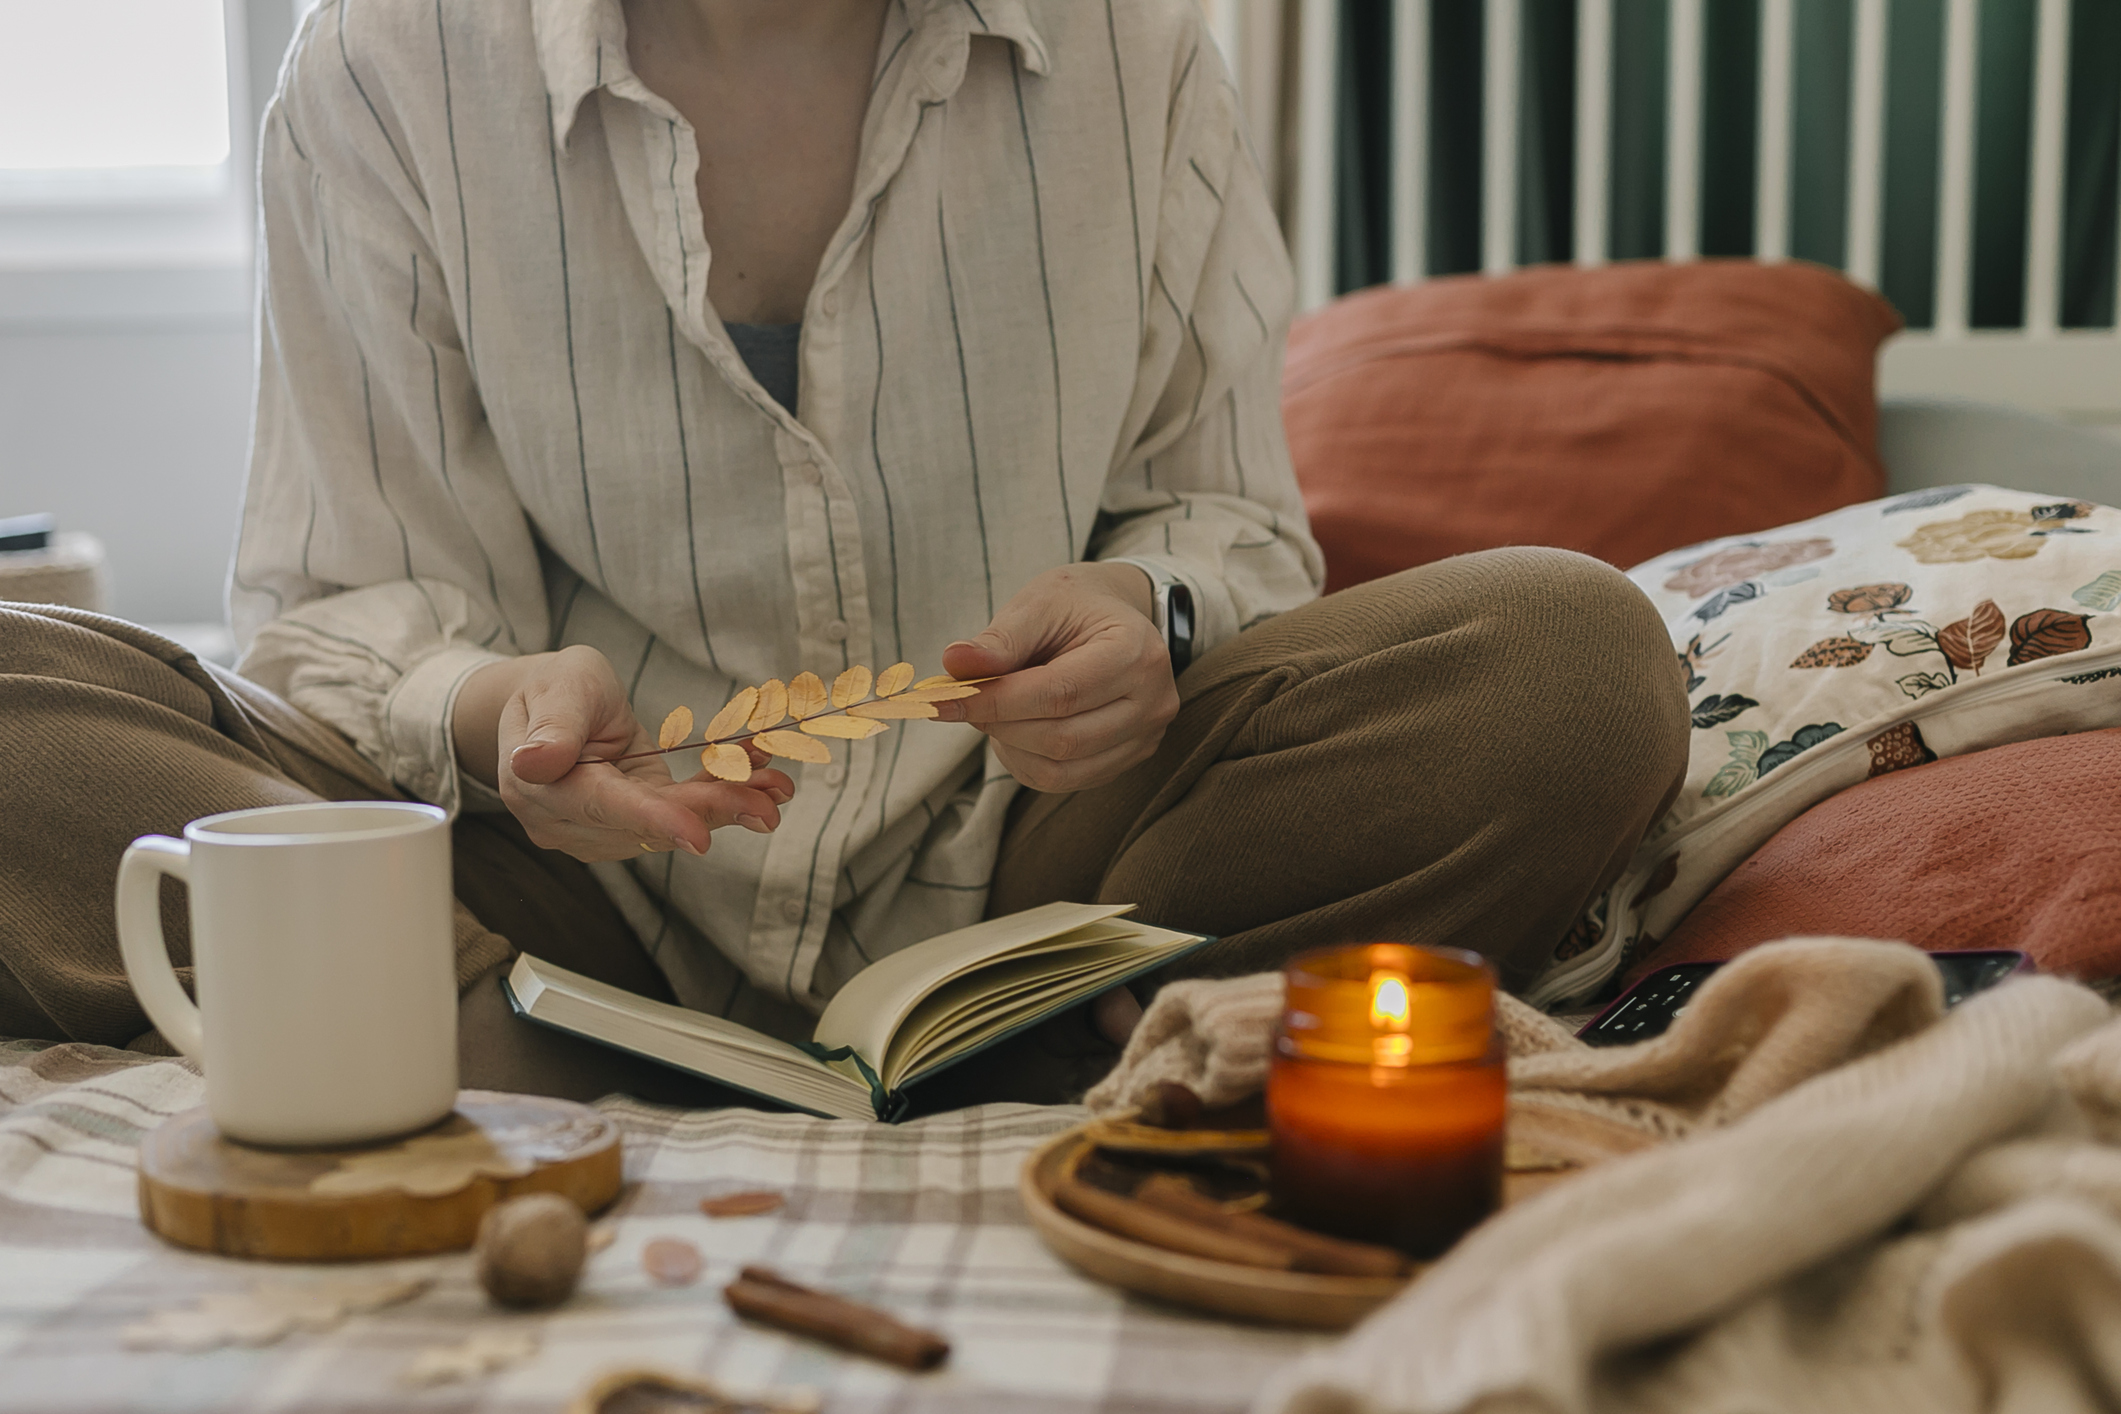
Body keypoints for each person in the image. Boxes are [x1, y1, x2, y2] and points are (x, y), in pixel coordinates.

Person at [0, 0, 1687, 1104]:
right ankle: (533, 1037)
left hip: (1042, 871)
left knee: (1567, 662)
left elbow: (1226, 524)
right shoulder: (384, 65)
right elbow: (334, 604)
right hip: (551, 900)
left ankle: (994, 1028)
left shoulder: (1134, 48)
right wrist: (490, 706)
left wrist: (1144, 614)